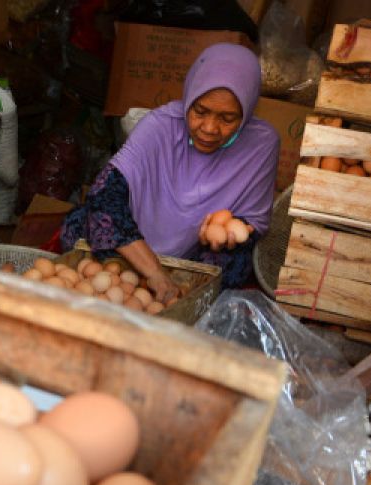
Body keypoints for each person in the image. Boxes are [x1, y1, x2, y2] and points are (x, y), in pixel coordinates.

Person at [60, 43, 280, 300]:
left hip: (194, 255)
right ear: (189, 98)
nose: (209, 128)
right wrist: (154, 272)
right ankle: (142, 276)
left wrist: (229, 229)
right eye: (200, 111)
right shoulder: (160, 126)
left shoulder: (261, 144)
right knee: (85, 222)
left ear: (246, 113)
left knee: (235, 258)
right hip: (132, 245)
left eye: (227, 118)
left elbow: (251, 219)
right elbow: (104, 195)